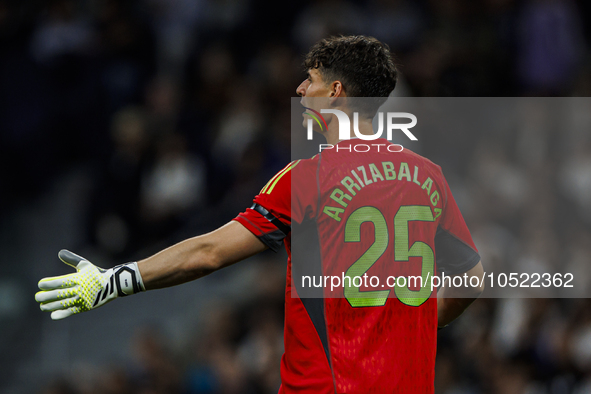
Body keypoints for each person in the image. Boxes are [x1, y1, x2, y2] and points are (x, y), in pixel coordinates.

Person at [35, 35, 484, 393]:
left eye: (310, 80)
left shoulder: (308, 178)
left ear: (336, 90)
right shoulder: (427, 177)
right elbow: (471, 278)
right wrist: (424, 317)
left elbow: (210, 251)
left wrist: (115, 280)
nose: (300, 90)